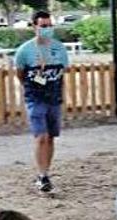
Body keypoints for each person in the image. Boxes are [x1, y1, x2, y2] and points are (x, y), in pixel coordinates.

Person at [15, 11, 69, 193]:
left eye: (49, 25)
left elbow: (63, 74)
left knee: (51, 137)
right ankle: (41, 175)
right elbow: (20, 74)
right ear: (34, 26)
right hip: (35, 98)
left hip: (54, 97)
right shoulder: (24, 51)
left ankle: (46, 171)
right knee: (41, 136)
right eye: (43, 26)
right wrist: (32, 88)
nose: (47, 29)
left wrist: (62, 96)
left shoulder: (60, 49)